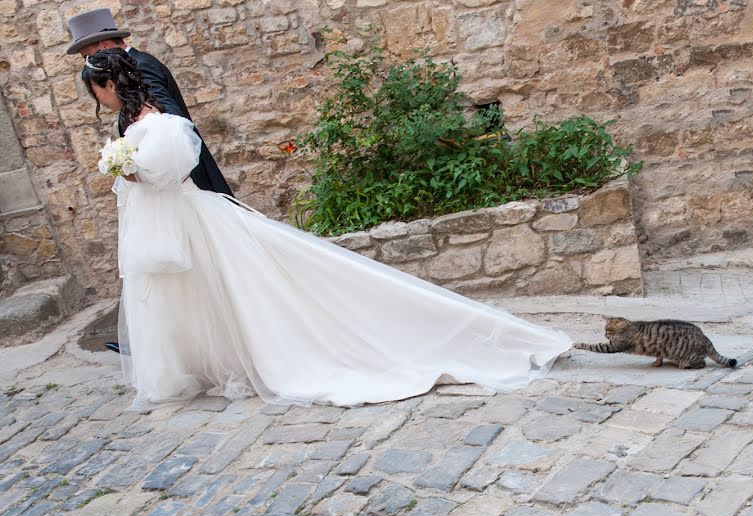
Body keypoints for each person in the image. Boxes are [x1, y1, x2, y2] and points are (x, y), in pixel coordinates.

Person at [81, 49, 572, 411]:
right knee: (204, 295)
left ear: (111, 85)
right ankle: (214, 364)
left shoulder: (163, 123)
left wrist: (128, 169)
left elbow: (170, 169)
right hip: (173, 225)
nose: (98, 101)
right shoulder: (135, 119)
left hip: (193, 217)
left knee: (255, 288)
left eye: (96, 91)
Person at [67, 8, 234, 354]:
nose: (87, 64)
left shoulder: (141, 65)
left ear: (104, 43)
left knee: (199, 266)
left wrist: (136, 161)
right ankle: (160, 343)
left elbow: (171, 123)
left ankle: (201, 341)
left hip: (182, 187)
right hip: (161, 194)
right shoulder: (131, 66)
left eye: (87, 55)